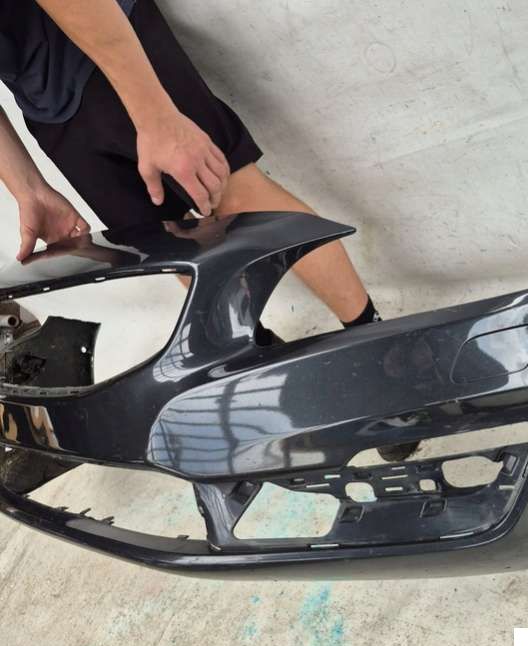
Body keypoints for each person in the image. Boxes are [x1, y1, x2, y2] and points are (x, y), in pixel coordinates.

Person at [0, 0, 417, 462]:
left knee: (233, 193)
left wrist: (155, 113)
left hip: (107, 41)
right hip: (45, 105)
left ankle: (381, 353)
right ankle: (268, 367)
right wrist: (27, 187)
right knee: (170, 241)